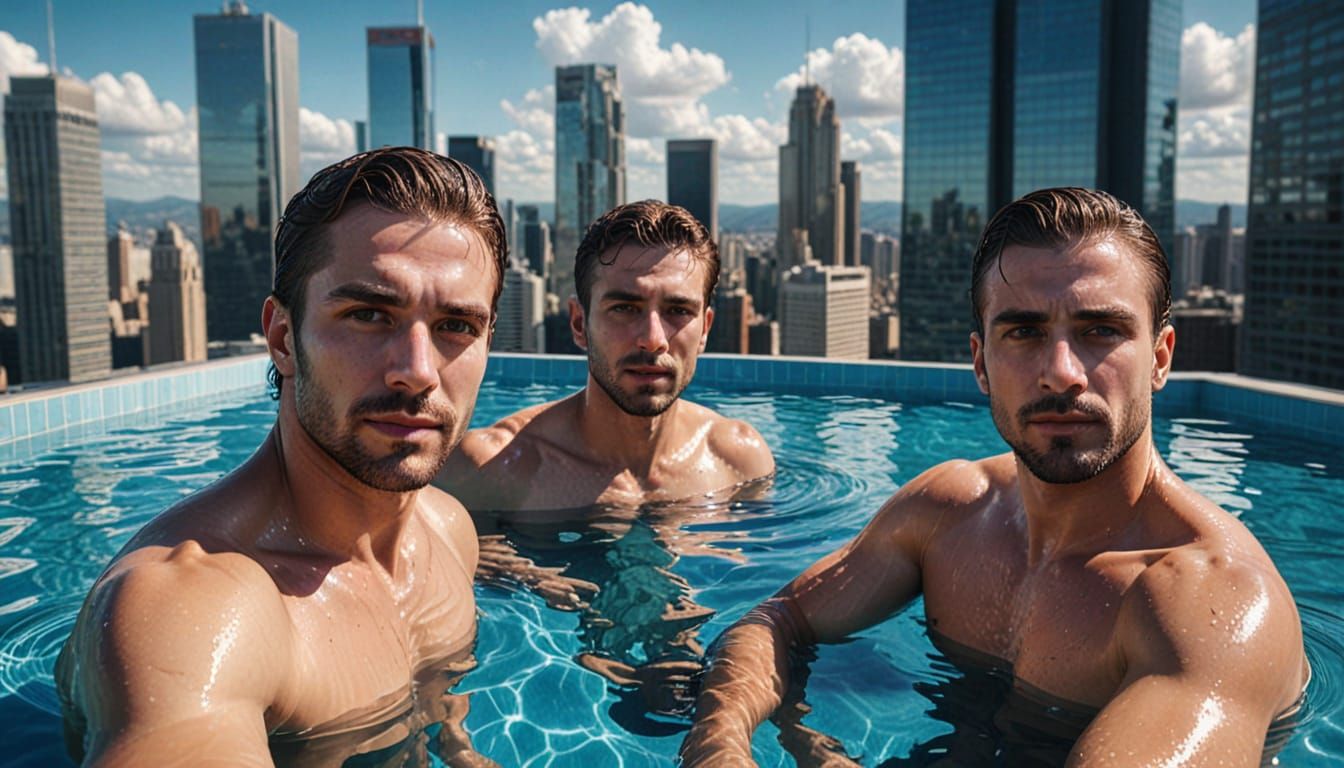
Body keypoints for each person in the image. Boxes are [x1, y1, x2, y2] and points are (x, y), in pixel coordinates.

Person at [681, 187, 1309, 766]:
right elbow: (778, 620)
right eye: (1024, 332)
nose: (1061, 372)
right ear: (980, 364)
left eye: (1100, 331)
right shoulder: (949, 511)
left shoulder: (1210, 603)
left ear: (1161, 358)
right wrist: (720, 745)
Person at [56, 147, 507, 766]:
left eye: (457, 326)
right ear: (282, 337)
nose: (417, 371)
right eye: (369, 314)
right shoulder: (193, 607)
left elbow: (437, 708)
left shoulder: (450, 530)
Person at [436, 199, 774, 718]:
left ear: (705, 327)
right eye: (624, 308)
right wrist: (515, 569)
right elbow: (413, 558)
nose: (653, 340)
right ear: (579, 323)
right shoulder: (493, 467)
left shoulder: (739, 458)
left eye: (678, 311)